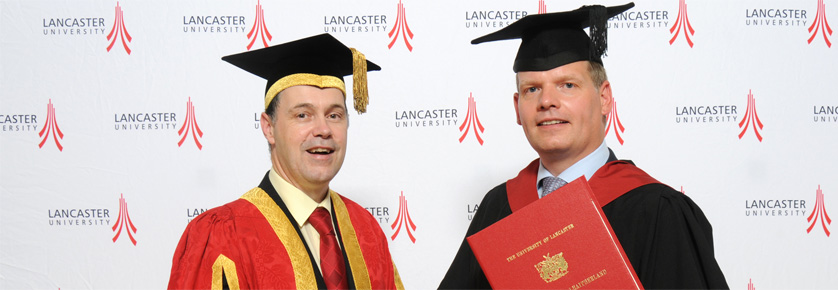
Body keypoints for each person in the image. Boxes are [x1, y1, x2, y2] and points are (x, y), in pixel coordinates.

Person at [439, 3, 728, 289]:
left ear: (604, 98)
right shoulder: (498, 207)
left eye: (567, 85)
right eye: (532, 89)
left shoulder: (656, 211)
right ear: (518, 108)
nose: (547, 101)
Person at [168, 33, 404, 290]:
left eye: (334, 115)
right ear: (269, 128)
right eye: (303, 115)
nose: (323, 129)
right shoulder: (223, 237)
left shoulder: (365, 230)